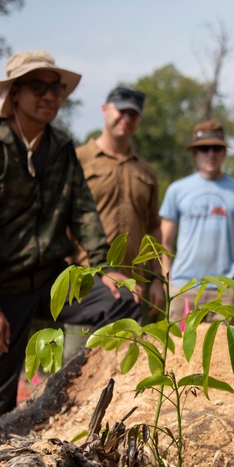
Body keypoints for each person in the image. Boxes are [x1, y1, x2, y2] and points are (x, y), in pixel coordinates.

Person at [0, 50, 140, 433]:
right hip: (0, 290)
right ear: (15, 93)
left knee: (122, 302)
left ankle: (82, 397)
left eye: (56, 89)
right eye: (38, 87)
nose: (49, 97)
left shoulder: (60, 148)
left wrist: (107, 268)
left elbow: (83, 212)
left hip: (52, 281)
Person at [159, 120, 234, 321]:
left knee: (225, 352)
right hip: (183, 288)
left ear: (224, 152)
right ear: (195, 153)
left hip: (225, 291)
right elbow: (164, 242)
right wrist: (168, 282)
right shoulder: (177, 190)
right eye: (204, 148)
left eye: (216, 148)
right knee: (180, 352)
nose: (210, 154)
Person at [76, 86, 164, 316]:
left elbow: (154, 226)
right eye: (121, 111)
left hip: (133, 290)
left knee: (128, 351)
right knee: (80, 352)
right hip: (85, 284)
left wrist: (157, 279)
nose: (126, 118)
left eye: (133, 114)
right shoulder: (78, 159)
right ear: (105, 110)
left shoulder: (146, 171)